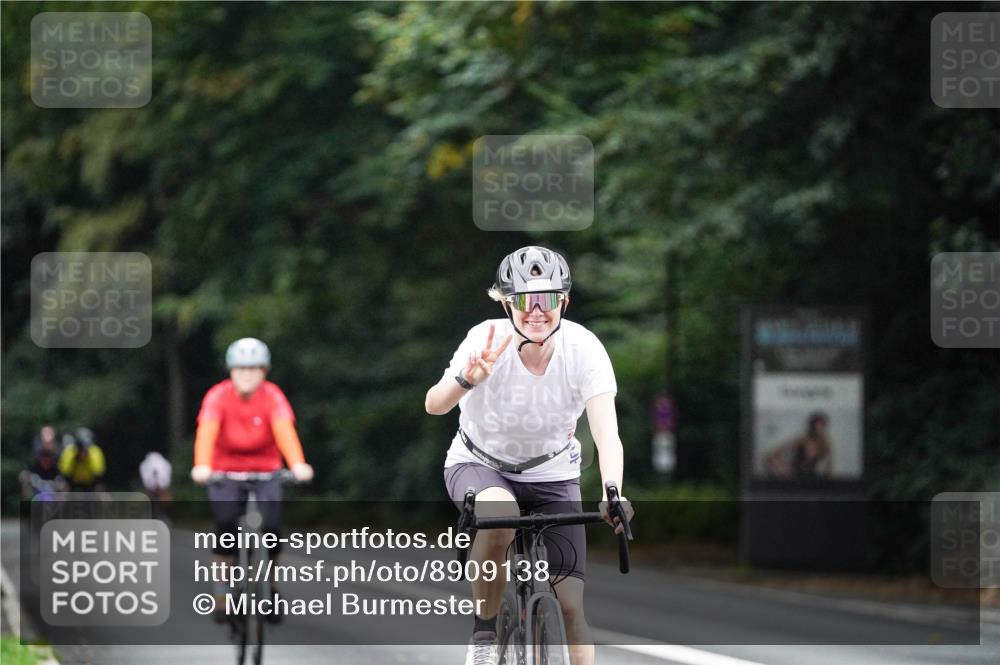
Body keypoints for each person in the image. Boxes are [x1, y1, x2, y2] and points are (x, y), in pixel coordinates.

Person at [424, 246, 633, 665]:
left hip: (553, 473)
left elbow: (607, 432)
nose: (536, 312)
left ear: (565, 302)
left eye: (548, 299)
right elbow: (434, 404)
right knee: (499, 512)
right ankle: (484, 636)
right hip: (479, 463)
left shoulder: (585, 349)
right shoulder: (484, 339)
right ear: (505, 302)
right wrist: (468, 378)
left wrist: (613, 491)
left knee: (571, 607)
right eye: (523, 300)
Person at [189, 337, 313, 621]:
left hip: (265, 471)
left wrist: (297, 464)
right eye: (241, 369)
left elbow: (285, 432)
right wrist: (202, 466)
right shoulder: (217, 397)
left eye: (254, 369)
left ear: (264, 371)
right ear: (231, 371)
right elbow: (206, 433)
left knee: (271, 530)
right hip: (225, 472)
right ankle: (222, 592)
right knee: (225, 529)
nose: (247, 375)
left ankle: (270, 587)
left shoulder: (273, 397)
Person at [764, 411, 834, 479]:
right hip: (794, 473)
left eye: (822, 427)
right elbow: (775, 452)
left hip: (810, 476)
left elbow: (829, 468)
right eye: (817, 427)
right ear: (812, 427)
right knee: (770, 459)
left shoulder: (825, 444)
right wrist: (785, 467)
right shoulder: (802, 439)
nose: (819, 430)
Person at [20, 426, 66, 498]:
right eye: (45, 434)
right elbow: (27, 471)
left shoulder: (59, 453)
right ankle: (28, 502)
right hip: (38, 480)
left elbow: (62, 473)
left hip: (54, 480)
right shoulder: (36, 452)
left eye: (49, 434)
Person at [139, 451, 173, 519]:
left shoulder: (165, 465)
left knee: (164, 500)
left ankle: (162, 515)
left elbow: (166, 479)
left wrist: (160, 486)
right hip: (151, 490)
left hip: (161, 489)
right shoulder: (144, 465)